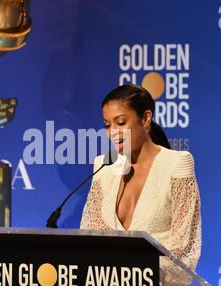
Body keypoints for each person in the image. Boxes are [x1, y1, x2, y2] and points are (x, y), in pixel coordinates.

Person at [80, 84, 201, 276]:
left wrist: (130, 271)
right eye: (107, 125)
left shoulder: (177, 164)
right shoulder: (104, 167)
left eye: (120, 123)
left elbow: (183, 250)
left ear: (145, 118)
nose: (112, 132)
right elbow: (91, 235)